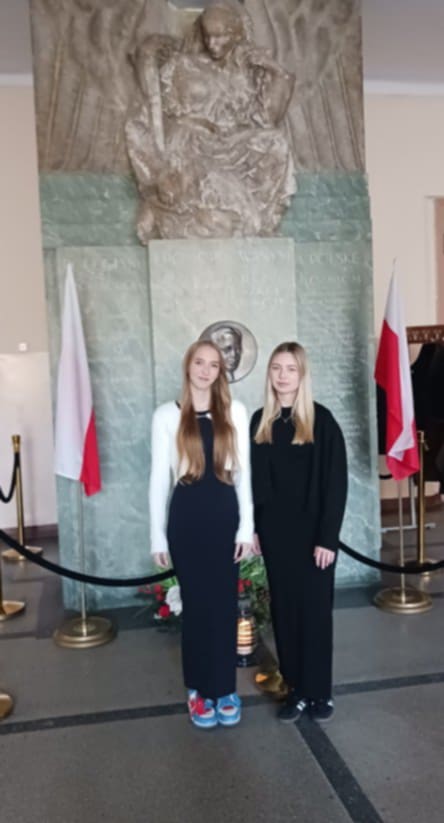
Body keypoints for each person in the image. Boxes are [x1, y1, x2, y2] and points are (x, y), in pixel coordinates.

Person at [126, 1, 295, 241]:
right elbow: (153, 101)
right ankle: (227, 217)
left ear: (235, 35)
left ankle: (264, 219)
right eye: (208, 36)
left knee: (275, 144)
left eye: (220, 37)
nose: (212, 44)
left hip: (229, 142)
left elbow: (267, 119)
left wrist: (275, 71)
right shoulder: (181, 64)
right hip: (190, 141)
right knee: (213, 185)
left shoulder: (241, 74)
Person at [149, 340, 254, 729]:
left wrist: (246, 528)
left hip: (225, 516)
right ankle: (197, 689)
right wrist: (157, 536)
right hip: (187, 518)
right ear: (188, 366)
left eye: (213, 364)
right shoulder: (166, 415)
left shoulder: (236, 411)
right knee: (195, 608)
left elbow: (244, 475)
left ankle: (224, 689)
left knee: (224, 606)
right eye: (199, 362)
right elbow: (159, 479)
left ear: (220, 372)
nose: (205, 370)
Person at [250, 342, 347, 723]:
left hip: (314, 538)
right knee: (285, 612)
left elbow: (335, 484)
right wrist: (254, 528)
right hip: (276, 536)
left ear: (302, 374)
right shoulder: (261, 422)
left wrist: (328, 537)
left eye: (290, 368)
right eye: (276, 368)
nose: (283, 375)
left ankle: (319, 691)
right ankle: (295, 689)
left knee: (315, 614)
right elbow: (254, 483)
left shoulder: (322, 422)